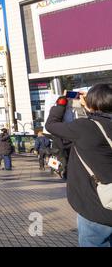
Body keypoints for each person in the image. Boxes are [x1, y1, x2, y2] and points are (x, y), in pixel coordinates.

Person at [46, 84, 112, 247]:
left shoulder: (84, 127)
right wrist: (91, 107)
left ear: (92, 104)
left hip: (97, 208)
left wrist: (62, 102)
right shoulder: (93, 126)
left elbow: (51, 125)